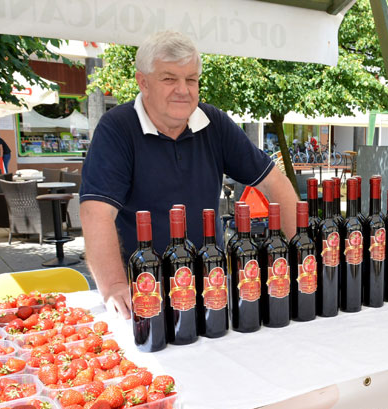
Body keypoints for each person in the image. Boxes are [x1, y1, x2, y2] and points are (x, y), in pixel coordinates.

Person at [80, 31, 298, 320]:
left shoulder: (214, 123)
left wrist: (303, 253)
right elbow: (96, 213)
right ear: (142, 81)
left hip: (211, 288)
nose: (183, 90)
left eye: (191, 79)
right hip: (145, 294)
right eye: (169, 79)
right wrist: (115, 285)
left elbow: (274, 182)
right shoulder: (117, 128)